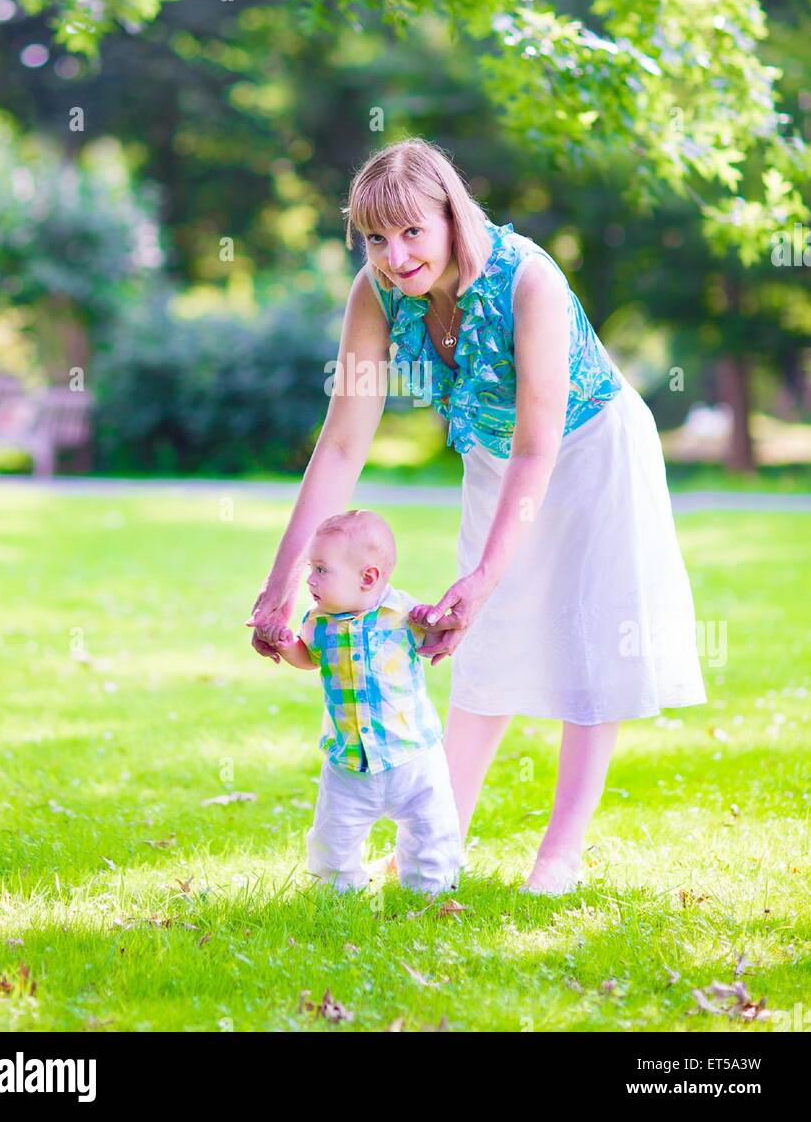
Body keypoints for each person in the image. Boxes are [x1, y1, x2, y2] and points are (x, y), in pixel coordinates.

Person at [247, 136, 707, 895]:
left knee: (592, 634)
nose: (396, 256)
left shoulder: (529, 281)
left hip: (591, 447)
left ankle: (560, 854)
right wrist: (279, 584)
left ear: (451, 215)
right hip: (499, 458)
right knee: (480, 646)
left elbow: (540, 444)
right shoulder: (378, 292)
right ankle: (439, 837)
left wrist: (486, 573)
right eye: (376, 237)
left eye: (412, 232)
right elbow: (340, 446)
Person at [264, 508, 463, 895]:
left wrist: (432, 621)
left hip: (413, 756)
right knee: (332, 838)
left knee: (432, 828)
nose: (310, 579)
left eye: (321, 569)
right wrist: (289, 646)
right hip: (349, 761)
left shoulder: (404, 615)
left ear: (367, 577)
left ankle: (431, 891)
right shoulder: (318, 621)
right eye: (311, 568)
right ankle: (337, 895)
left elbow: (436, 637)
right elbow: (310, 657)